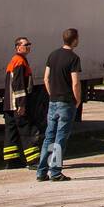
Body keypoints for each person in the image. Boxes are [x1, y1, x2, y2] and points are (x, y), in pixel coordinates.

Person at [36, 29, 82, 183]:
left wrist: (51, 94)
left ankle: (42, 171)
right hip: (66, 102)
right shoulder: (74, 58)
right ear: (74, 40)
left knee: (49, 136)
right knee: (60, 137)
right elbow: (75, 82)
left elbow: (46, 78)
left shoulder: (53, 55)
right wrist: (77, 99)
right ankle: (55, 171)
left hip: (53, 101)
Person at [3, 36, 41, 172]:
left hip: (9, 104)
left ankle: (11, 160)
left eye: (29, 44)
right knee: (27, 130)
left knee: (11, 131)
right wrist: (22, 104)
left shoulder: (16, 60)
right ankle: (33, 160)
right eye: (26, 44)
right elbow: (18, 85)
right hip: (16, 104)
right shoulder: (19, 62)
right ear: (18, 47)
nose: (28, 46)